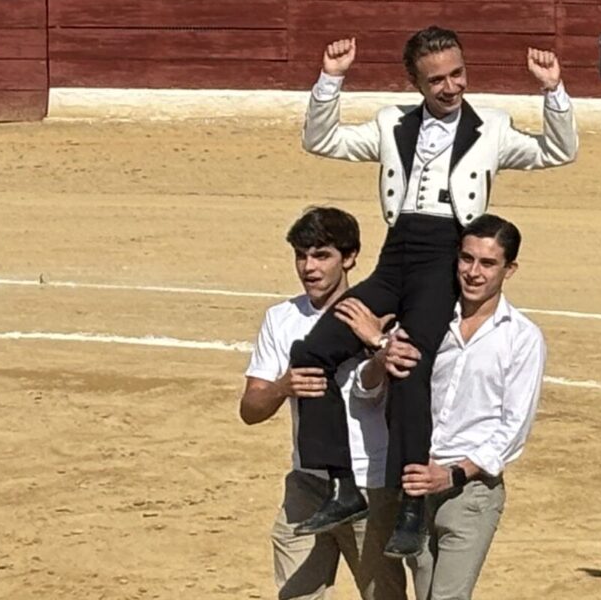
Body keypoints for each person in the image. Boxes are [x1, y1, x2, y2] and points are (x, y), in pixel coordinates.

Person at [290, 30, 575, 557]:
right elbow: (320, 140)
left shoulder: (490, 127)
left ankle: (412, 505)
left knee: (410, 367)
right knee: (311, 351)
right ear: (415, 83)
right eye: (437, 79)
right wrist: (331, 79)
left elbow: (558, 150)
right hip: (395, 256)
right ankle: (342, 485)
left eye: (458, 73)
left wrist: (552, 91)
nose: (451, 87)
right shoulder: (390, 123)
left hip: (442, 257)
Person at [362, 215, 547, 600]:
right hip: (415, 484)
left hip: (470, 492)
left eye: (487, 263)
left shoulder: (522, 338)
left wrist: (454, 475)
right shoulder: (423, 322)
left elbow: (513, 429)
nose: (473, 272)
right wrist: (380, 352)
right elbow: (373, 392)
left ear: (509, 269)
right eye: (466, 259)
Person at [240, 207, 404, 600]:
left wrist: (380, 350)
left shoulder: (380, 315)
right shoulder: (281, 318)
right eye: (301, 255)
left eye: (321, 255)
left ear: (349, 258)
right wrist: (283, 387)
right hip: (308, 483)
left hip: (371, 485)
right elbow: (250, 409)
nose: (308, 267)